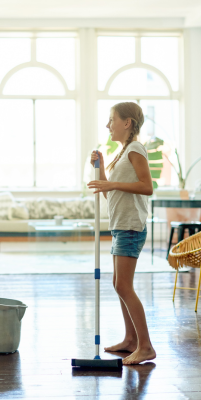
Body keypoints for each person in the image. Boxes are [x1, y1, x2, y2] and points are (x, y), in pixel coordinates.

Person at [87, 102, 156, 365]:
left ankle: (146, 346)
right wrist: (102, 168)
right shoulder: (122, 152)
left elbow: (147, 186)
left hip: (130, 226)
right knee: (119, 284)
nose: (108, 125)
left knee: (123, 285)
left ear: (127, 123)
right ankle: (130, 340)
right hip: (120, 225)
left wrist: (112, 181)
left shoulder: (136, 148)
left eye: (112, 120)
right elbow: (110, 192)